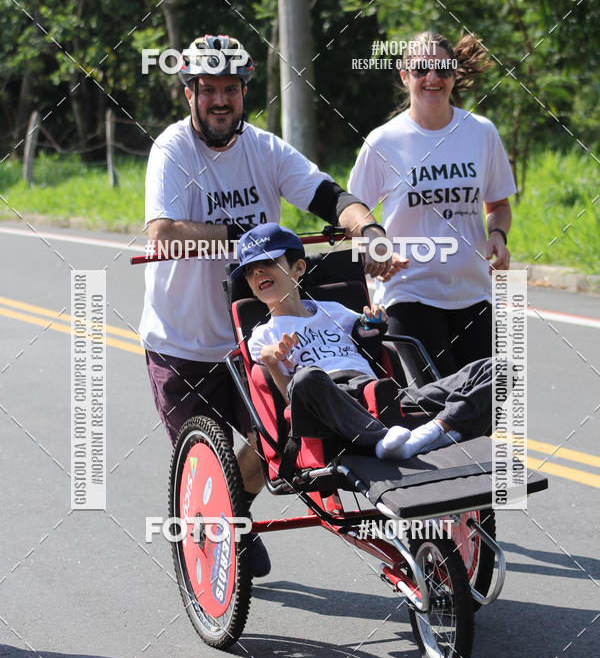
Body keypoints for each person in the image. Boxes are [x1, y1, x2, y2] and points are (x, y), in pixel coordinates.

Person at [139, 33, 404, 577]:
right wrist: (249, 236)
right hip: (182, 343)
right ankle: (221, 519)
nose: (219, 100)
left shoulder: (264, 148)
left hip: (257, 338)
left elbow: (330, 196)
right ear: (187, 93)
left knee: (277, 447)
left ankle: (232, 515)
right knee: (206, 462)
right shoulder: (171, 149)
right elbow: (163, 232)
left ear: (243, 93)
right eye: (207, 89)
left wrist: (370, 229)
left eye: (230, 89)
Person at [240, 224, 494, 462]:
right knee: (306, 378)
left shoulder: (335, 310)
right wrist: (272, 360)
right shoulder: (263, 336)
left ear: (299, 268)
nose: (258, 272)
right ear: (252, 287)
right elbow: (291, 400)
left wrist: (373, 327)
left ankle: (434, 432)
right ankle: (383, 439)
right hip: (331, 402)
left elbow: (369, 340)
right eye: (250, 271)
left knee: (498, 369)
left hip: (380, 394)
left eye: (268, 262)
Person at [349, 31, 516, 378]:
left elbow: (498, 203)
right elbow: (354, 212)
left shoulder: (481, 133)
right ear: (404, 75)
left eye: (443, 70)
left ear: (455, 75)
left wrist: (498, 234)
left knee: (481, 412)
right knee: (438, 403)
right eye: (422, 69)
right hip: (409, 292)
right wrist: (374, 248)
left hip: (473, 291)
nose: (433, 78)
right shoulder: (383, 142)